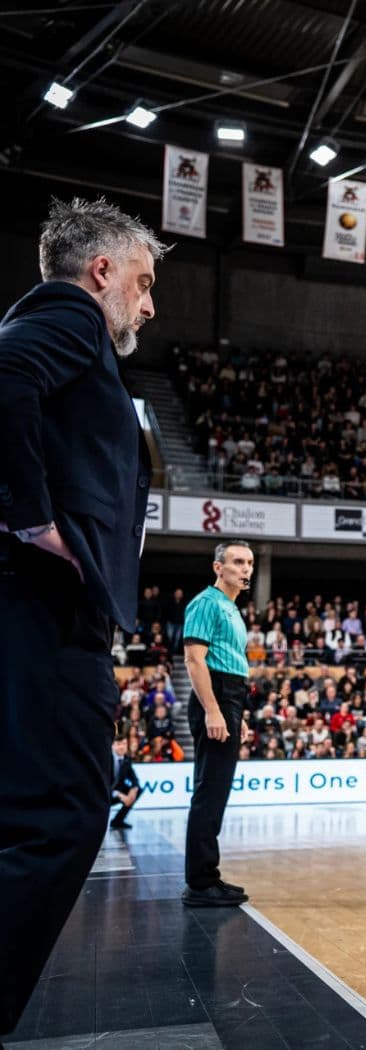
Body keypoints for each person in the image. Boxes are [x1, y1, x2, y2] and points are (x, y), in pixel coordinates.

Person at [0, 197, 162, 1037]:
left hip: (37, 607)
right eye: (142, 282)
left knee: (31, 811)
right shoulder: (68, 316)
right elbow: (4, 379)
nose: (149, 303)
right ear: (101, 272)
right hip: (43, 605)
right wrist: (30, 515)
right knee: (61, 815)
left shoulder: (67, 333)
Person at [181, 542, 254, 907]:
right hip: (218, 695)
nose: (246, 569)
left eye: (250, 563)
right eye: (238, 562)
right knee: (210, 792)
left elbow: (236, 663)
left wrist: (240, 714)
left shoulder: (232, 609)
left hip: (231, 696)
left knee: (217, 792)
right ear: (217, 567)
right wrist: (213, 710)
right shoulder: (207, 603)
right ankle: (200, 882)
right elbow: (195, 660)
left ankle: (207, 876)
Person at [109, 736, 141, 830]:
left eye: (124, 744)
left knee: (138, 790)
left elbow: (134, 778)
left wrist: (134, 789)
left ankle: (118, 821)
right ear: (112, 746)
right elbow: (103, 783)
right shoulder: (107, 759)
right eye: (119, 744)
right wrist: (119, 794)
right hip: (103, 794)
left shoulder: (126, 759)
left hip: (115, 791)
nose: (122, 747)